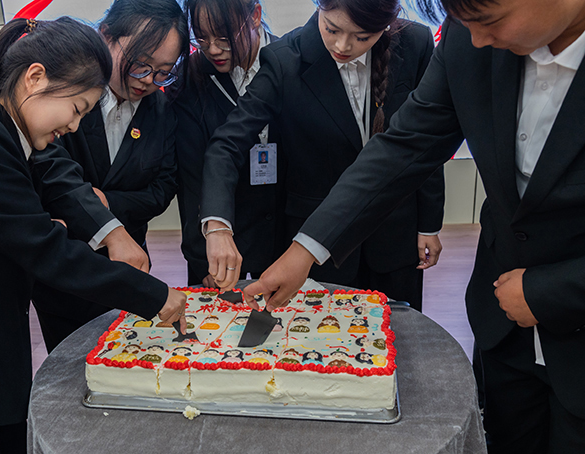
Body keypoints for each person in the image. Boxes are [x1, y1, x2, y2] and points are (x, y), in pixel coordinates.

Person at [244, 0, 585, 451]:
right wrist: (306, 249)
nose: (477, 39)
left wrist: (550, 290)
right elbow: (403, 147)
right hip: (501, 320)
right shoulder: (470, 39)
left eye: (490, 21)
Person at [0, 17, 186, 453]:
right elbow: (46, 250)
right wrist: (151, 294)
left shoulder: (3, 130)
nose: (74, 127)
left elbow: (25, 217)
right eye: (75, 109)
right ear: (35, 77)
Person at [199, 0, 444, 310]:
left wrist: (429, 224)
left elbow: (427, 142)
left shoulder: (415, 43)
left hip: (395, 232)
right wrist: (218, 226)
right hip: (316, 241)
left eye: (362, 36)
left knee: (397, 336)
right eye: (332, 29)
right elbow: (226, 144)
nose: (343, 45)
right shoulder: (286, 60)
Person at [30, 0, 188, 353]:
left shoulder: (162, 112)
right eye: (141, 64)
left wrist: (109, 202)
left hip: (131, 264)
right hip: (67, 264)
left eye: (164, 71)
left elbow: (163, 186)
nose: (149, 81)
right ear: (107, 37)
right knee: (70, 360)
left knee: (127, 357)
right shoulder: (64, 95)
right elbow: (51, 167)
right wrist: (104, 223)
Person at [171, 0, 286, 287]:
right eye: (202, 37)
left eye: (224, 37)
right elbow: (192, 175)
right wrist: (202, 255)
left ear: (255, 15)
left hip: (286, 233)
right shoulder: (192, 76)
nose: (212, 49)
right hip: (222, 238)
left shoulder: (290, 62)